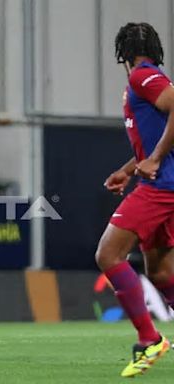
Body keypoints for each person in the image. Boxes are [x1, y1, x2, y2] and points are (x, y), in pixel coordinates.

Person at [96, 22, 174, 377]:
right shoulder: (151, 76)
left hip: (161, 189)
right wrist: (129, 169)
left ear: (122, 53)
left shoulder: (141, 77)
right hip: (163, 184)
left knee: (108, 254)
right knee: (158, 270)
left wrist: (154, 160)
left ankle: (149, 340)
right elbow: (155, 134)